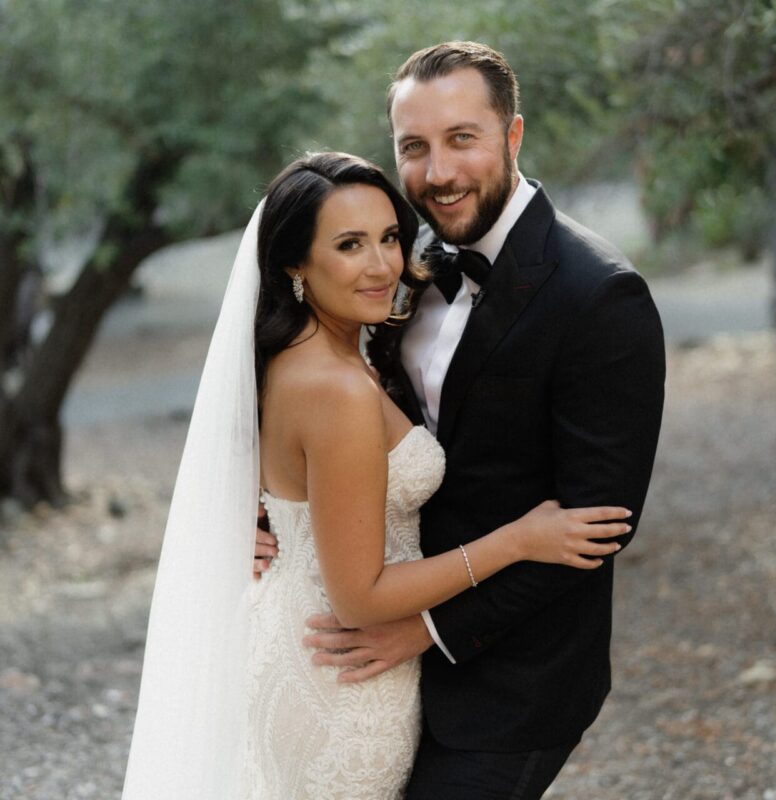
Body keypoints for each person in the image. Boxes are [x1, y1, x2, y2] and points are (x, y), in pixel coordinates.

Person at [122, 151, 632, 800]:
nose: (382, 265)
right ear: (294, 264)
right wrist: (519, 540)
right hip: (342, 672)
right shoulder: (337, 390)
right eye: (349, 245)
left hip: (302, 646)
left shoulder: (297, 356)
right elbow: (360, 598)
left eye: (389, 238)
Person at [256, 43, 666, 799]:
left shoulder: (599, 296)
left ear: (513, 135)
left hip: (511, 683)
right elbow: (314, 424)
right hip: (360, 662)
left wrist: (428, 628)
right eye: (414, 147)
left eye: (462, 139)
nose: (437, 172)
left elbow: (597, 525)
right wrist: (261, 512)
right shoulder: (396, 268)